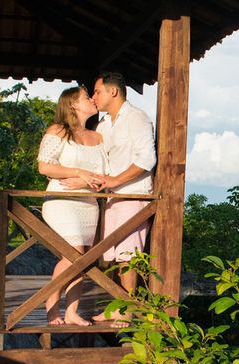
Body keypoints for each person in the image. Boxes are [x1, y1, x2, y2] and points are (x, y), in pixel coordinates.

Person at [90, 72, 156, 324]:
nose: (94, 97)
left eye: (97, 92)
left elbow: (146, 159)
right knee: (113, 255)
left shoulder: (137, 118)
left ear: (113, 91)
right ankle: (119, 305)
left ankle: (128, 310)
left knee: (129, 253)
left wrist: (115, 181)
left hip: (132, 193)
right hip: (111, 197)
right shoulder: (103, 125)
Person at [37, 86, 106, 326]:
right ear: (74, 104)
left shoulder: (97, 136)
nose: (92, 100)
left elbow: (104, 172)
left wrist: (89, 180)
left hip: (88, 202)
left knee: (83, 257)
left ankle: (72, 311)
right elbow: (45, 167)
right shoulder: (59, 130)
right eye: (87, 97)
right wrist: (79, 172)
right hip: (62, 200)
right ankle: (51, 302)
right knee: (74, 253)